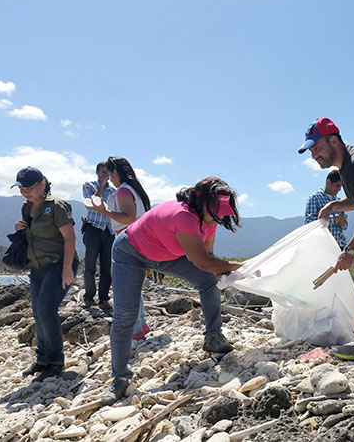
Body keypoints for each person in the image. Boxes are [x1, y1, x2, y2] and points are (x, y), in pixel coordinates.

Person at [103, 176, 242, 403]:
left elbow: (208, 258)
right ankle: (119, 378)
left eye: (223, 210)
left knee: (207, 280)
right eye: (216, 209)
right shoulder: (183, 216)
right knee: (126, 315)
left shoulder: (210, 219)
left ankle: (213, 336)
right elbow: (203, 262)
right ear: (201, 201)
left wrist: (228, 271)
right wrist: (237, 266)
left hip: (163, 255)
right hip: (129, 252)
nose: (220, 215)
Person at [298, 117, 354, 361]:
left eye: (317, 148)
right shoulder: (348, 166)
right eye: (311, 151)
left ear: (334, 141)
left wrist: (350, 252)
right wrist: (333, 205)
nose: (314, 156)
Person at [12, 167, 78, 381]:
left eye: (29, 188)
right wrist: (19, 226)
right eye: (21, 188)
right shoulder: (26, 207)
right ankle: (42, 359)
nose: (25, 192)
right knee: (38, 312)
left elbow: (70, 237)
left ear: (42, 184)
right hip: (37, 266)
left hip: (59, 263)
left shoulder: (57, 206)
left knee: (47, 309)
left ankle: (56, 361)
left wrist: (67, 269)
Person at [86, 156, 152, 341]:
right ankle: (140, 325)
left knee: (125, 287)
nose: (108, 177)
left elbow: (128, 217)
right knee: (133, 285)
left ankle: (135, 330)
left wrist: (103, 211)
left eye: (109, 172)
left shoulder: (123, 191)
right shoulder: (134, 189)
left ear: (115, 172)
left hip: (128, 238)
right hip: (139, 238)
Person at [81, 162, 116, 310]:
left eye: (107, 173)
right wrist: (101, 186)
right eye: (102, 172)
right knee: (89, 266)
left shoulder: (114, 191)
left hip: (108, 230)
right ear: (96, 172)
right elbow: (91, 204)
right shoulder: (89, 186)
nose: (105, 175)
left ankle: (103, 299)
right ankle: (89, 297)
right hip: (93, 229)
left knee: (107, 268)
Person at [304, 169, 348, 249]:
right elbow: (309, 222)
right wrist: (334, 219)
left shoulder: (339, 201)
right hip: (323, 247)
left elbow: (344, 227)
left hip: (340, 246)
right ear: (328, 182)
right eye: (337, 185)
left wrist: (343, 222)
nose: (339, 189)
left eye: (341, 186)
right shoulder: (315, 198)